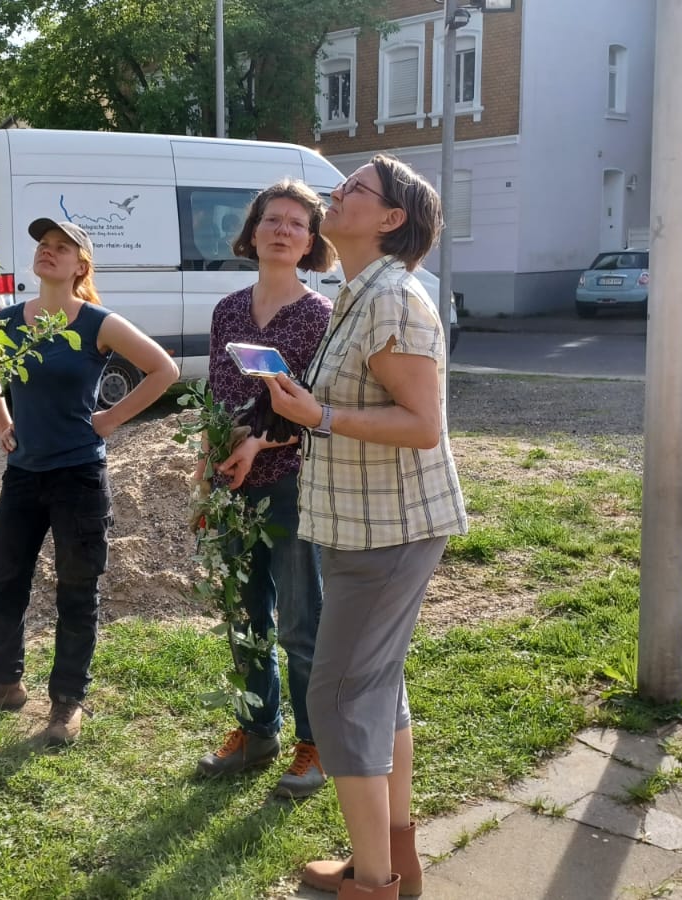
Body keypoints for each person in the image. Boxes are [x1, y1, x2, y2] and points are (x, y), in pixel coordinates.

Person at [267, 156, 467, 899]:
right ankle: (395, 861)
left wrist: (318, 415)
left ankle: (374, 883)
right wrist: (295, 420)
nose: (335, 195)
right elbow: (349, 409)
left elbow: (421, 425)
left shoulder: (394, 298)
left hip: (390, 530)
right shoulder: (355, 293)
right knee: (376, 690)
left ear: (391, 220)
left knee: (341, 696)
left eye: (354, 189)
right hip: (363, 525)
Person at [0, 217, 178, 747]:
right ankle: (4, 683)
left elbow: (163, 370)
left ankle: (67, 703)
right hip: (23, 477)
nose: (48, 253)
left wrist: (109, 420)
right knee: (2, 581)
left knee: (78, 591)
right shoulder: (5, 322)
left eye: (61, 248)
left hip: (79, 477)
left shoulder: (97, 323)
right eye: (43, 246)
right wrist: (1, 421)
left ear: (80, 266)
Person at [192, 179, 334, 799]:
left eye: (296, 224)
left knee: (303, 622)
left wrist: (260, 443)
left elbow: (317, 404)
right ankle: (256, 730)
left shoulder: (322, 316)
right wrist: (206, 470)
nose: (282, 230)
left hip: (293, 483)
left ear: (311, 242)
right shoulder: (227, 310)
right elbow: (221, 400)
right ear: (251, 233)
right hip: (231, 485)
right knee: (243, 612)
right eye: (272, 220)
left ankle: (316, 742)